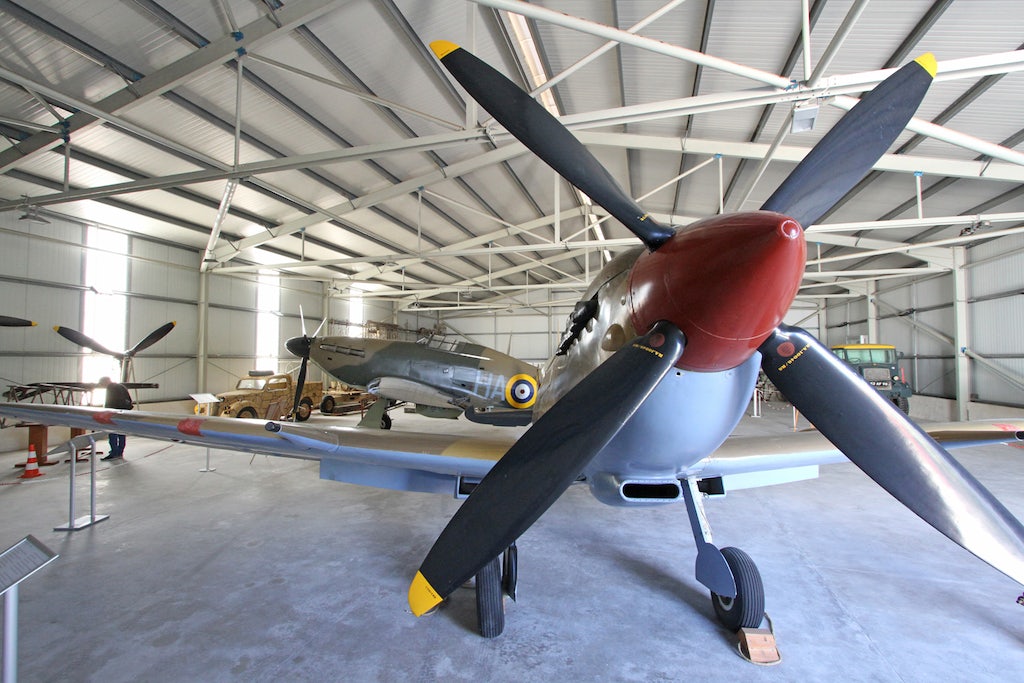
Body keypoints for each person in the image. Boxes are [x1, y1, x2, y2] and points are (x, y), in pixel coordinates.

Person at [98, 376, 133, 460]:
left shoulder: (111, 388)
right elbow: (129, 400)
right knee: (121, 433)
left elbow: (110, 402)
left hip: (114, 414)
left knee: (112, 433)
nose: (103, 386)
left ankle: (114, 452)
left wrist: (106, 412)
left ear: (105, 382)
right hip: (124, 413)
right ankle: (120, 451)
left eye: (102, 384)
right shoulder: (121, 386)